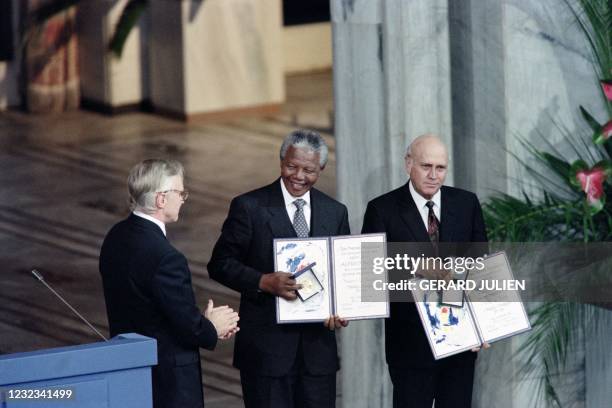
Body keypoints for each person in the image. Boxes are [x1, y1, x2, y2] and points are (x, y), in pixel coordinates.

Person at [208, 129, 350, 408]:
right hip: (266, 352)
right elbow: (220, 264)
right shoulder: (249, 207)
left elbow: (341, 275)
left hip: (317, 355)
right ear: (281, 161)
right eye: (291, 166)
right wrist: (262, 281)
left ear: (320, 169)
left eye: (308, 169)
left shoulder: (335, 212)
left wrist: (340, 309)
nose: (299, 176)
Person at [99, 158, 239, 408]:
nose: (184, 199)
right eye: (180, 192)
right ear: (161, 199)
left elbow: (152, 308)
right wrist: (210, 327)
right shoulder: (167, 258)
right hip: (168, 383)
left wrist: (200, 321)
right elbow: (188, 328)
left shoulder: (116, 236)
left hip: (128, 369)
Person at [361, 134, 488, 408]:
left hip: (460, 342)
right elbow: (369, 275)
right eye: (425, 166)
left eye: (440, 168)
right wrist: (414, 266)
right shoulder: (382, 209)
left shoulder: (466, 204)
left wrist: (483, 324)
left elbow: (481, 268)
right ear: (408, 164)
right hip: (410, 346)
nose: (433, 175)